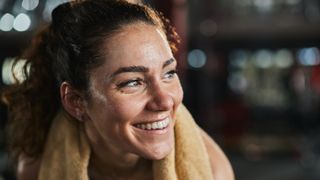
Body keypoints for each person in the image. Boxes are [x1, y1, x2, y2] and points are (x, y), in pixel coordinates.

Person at [2, 0, 234, 179]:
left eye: (168, 73)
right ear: (76, 101)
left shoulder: (213, 171)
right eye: (132, 82)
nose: (165, 101)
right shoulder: (38, 169)